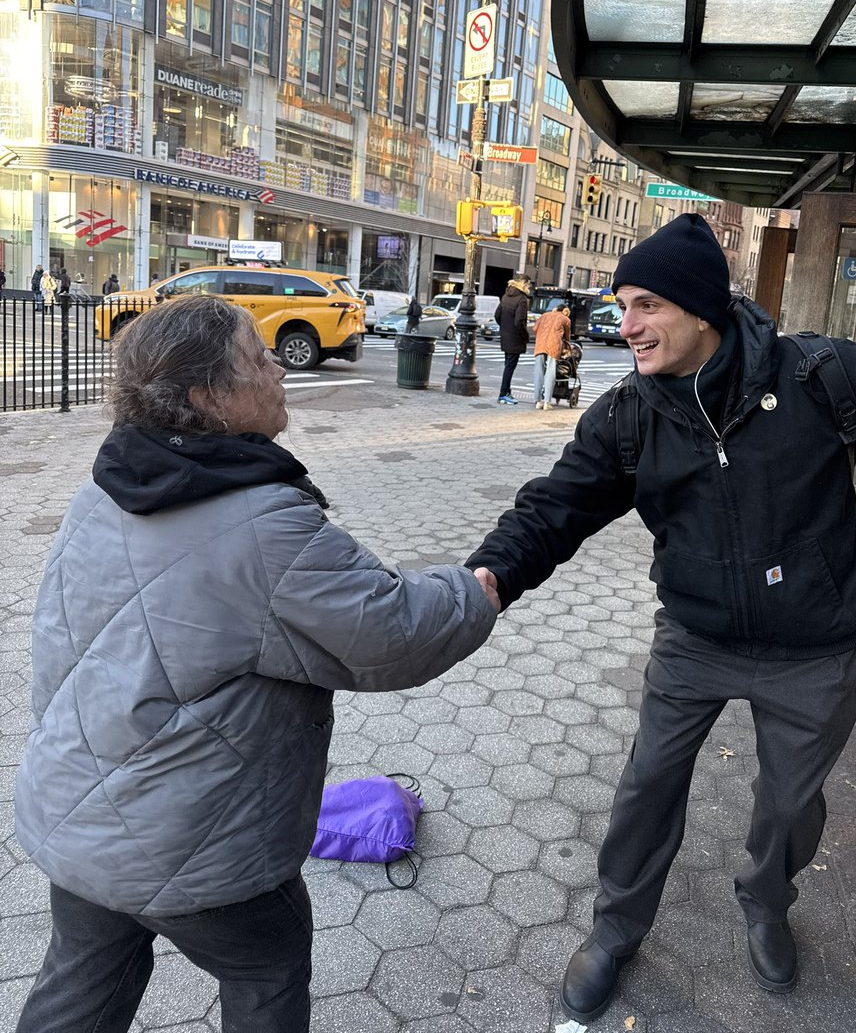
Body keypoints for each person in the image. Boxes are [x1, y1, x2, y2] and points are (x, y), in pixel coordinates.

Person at [15, 295, 499, 1033]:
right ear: (210, 398)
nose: (277, 367)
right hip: (195, 845)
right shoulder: (265, 525)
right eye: (258, 357)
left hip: (77, 817)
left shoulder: (104, 488)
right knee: (267, 969)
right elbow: (396, 633)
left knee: (80, 983)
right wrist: (473, 589)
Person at [466, 212, 856, 1023]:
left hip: (816, 646)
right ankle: (616, 929)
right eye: (622, 305)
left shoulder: (820, 377)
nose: (625, 325)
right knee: (647, 787)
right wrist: (484, 582)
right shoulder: (630, 415)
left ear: (702, 309)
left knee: (788, 805)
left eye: (646, 306)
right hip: (696, 638)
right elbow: (551, 510)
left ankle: (768, 901)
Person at [495, 278, 529, 404]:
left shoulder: (505, 296)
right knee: (510, 367)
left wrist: (504, 327)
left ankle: (506, 391)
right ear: (523, 285)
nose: (528, 287)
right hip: (515, 338)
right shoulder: (522, 299)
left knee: (507, 366)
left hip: (505, 336)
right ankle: (503, 393)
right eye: (528, 284)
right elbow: (519, 321)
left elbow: (497, 315)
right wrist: (525, 336)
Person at [532, 300, 570, 410]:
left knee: (538, 371)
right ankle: (547, 402)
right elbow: (567, 337)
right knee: (550, 371)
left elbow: (534, 329)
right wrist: (567, 349)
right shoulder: (565, 319)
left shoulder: (544, 315)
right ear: (565, 311)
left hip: (540, 344)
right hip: (554, 346)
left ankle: (538, 400)